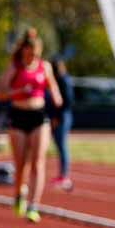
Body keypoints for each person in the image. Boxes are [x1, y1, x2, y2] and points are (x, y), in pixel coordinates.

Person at [0, 29, 63, 224]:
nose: (31, 56)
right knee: (21, 165)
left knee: (38, 162)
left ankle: (34, 206)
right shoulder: (14, 67)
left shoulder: (45, 67)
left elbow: (53, 88)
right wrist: (18, 91)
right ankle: (19, 193)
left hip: (39, 116)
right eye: (28, 52)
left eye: (34, 53)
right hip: (18, 116)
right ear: (23, 50)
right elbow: (0, 93)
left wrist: (57, 98)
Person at [46, 58, 74, 191]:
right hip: (56, 117)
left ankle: (64, 176)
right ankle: (62, 174)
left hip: (62, 117)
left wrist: (57, 117)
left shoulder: (63, 80)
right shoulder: (57, 80)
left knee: (62, 146)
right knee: (59, 146)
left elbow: (66, 101)